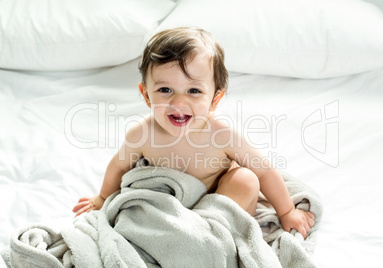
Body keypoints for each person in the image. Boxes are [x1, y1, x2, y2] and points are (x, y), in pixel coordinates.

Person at [72, 27, 315, 238]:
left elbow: (263, 170)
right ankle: (176, 235)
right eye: (165, 90)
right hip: (170, 206)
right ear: (146, 95)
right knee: (135, 208)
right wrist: (102, 199)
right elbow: (119, 166)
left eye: (194, 91)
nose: (179, 102)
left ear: (215, 99)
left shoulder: (221, 134)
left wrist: (286, 211)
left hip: (219, 202)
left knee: (246, 179)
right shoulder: (142, 133)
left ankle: (210, 235)